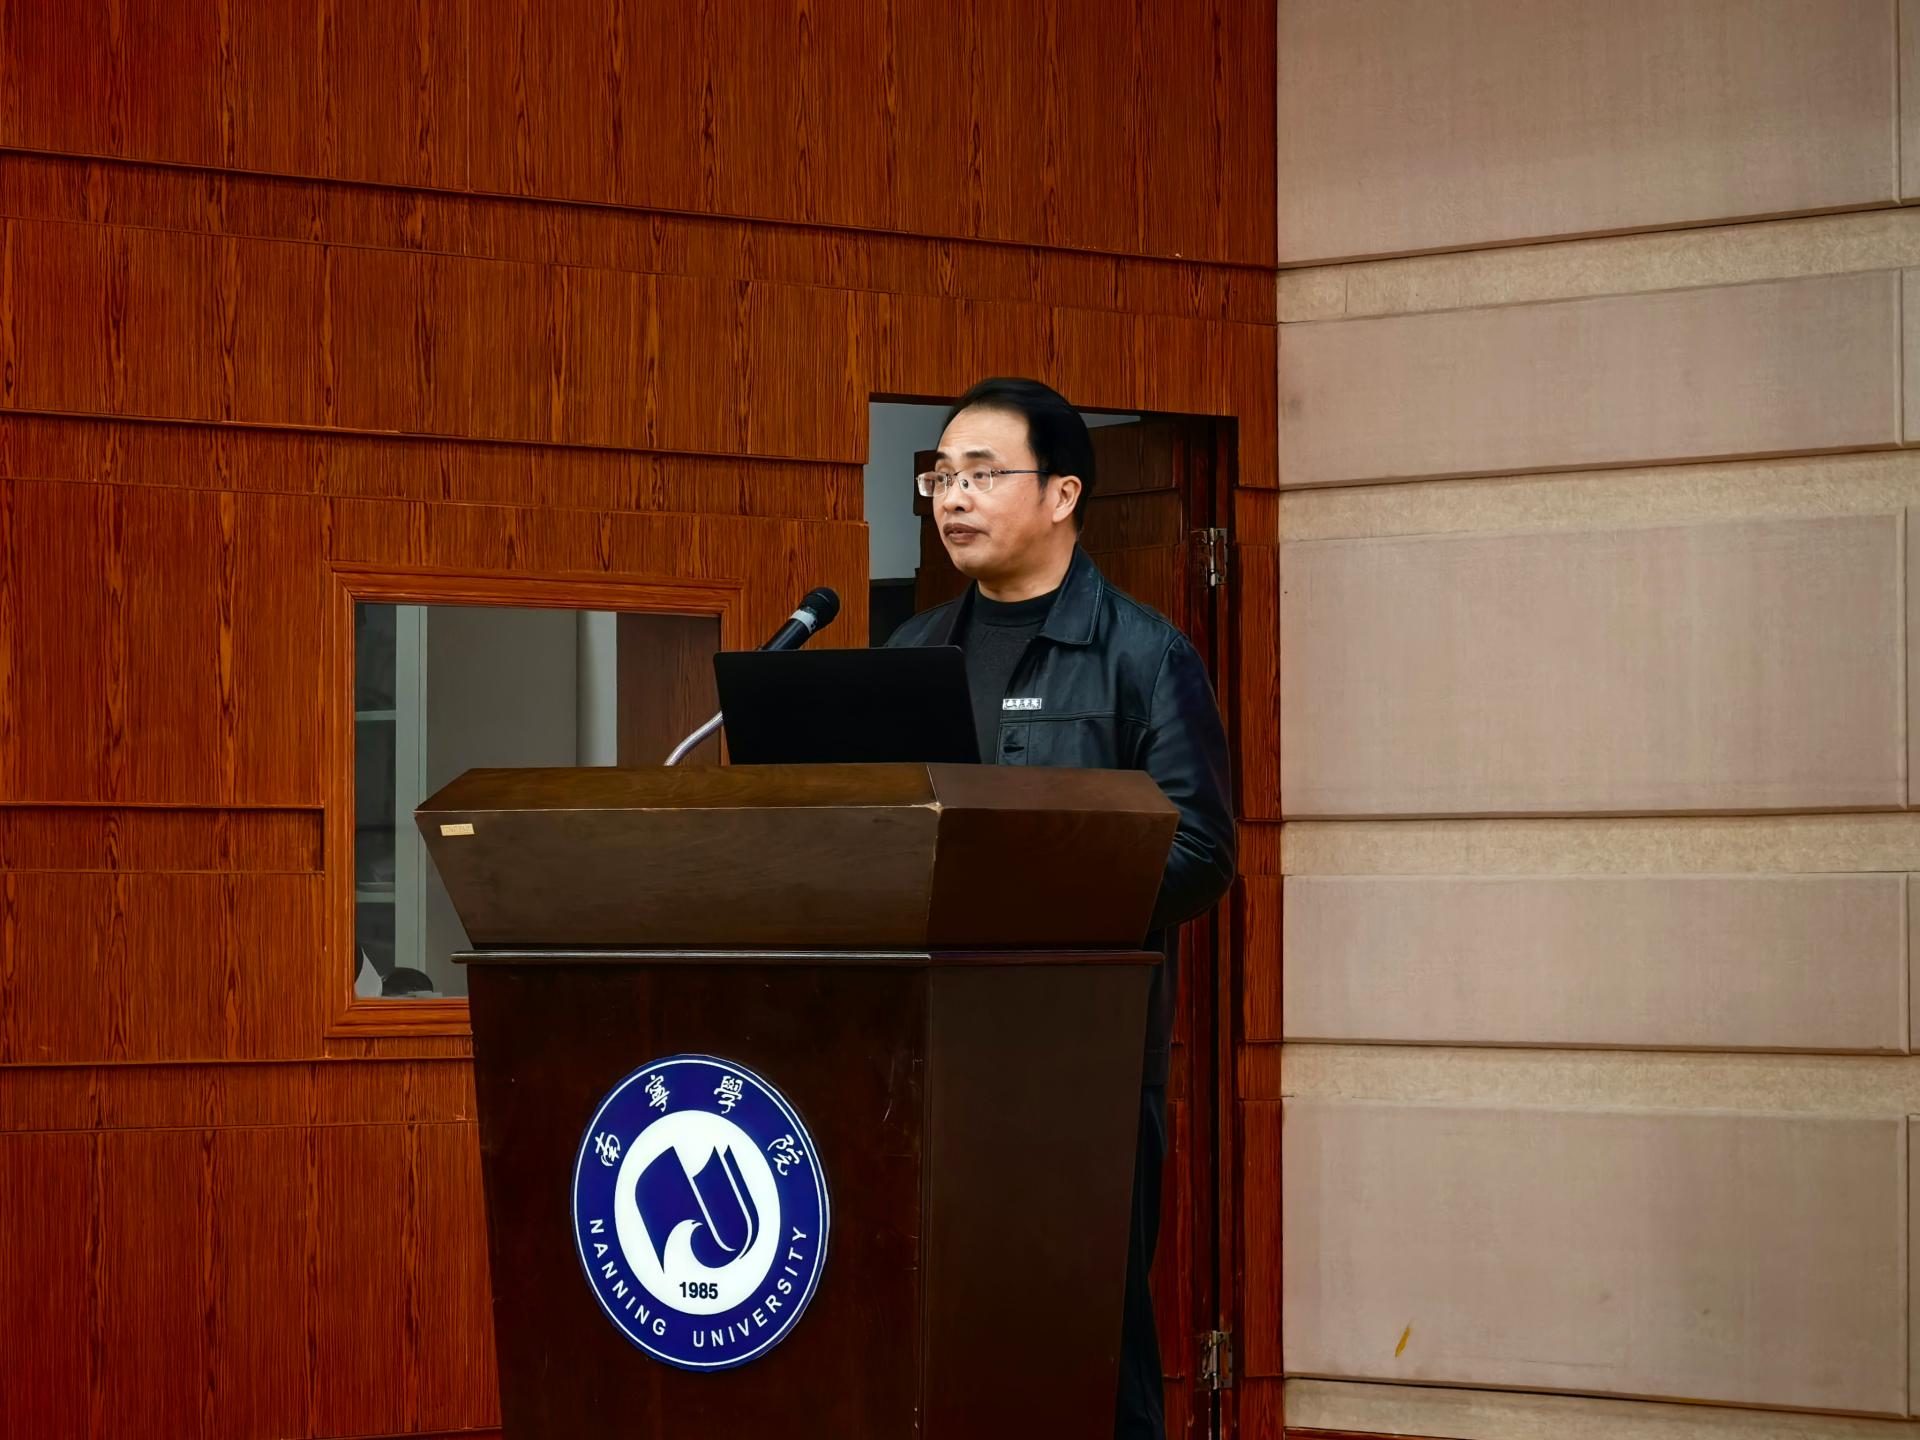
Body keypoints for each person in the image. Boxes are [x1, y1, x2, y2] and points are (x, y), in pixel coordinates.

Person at [885, 377, 1236, 1440]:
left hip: (1078, 1068)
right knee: (931, 1337)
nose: (954, 497)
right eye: (940, 477)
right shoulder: (909, 657)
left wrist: (1028, 890)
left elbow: (1200, 853)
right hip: (921, 1059)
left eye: (983, 474)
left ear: (1064, 494)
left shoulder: (1143, 656)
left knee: (1082, 1338)